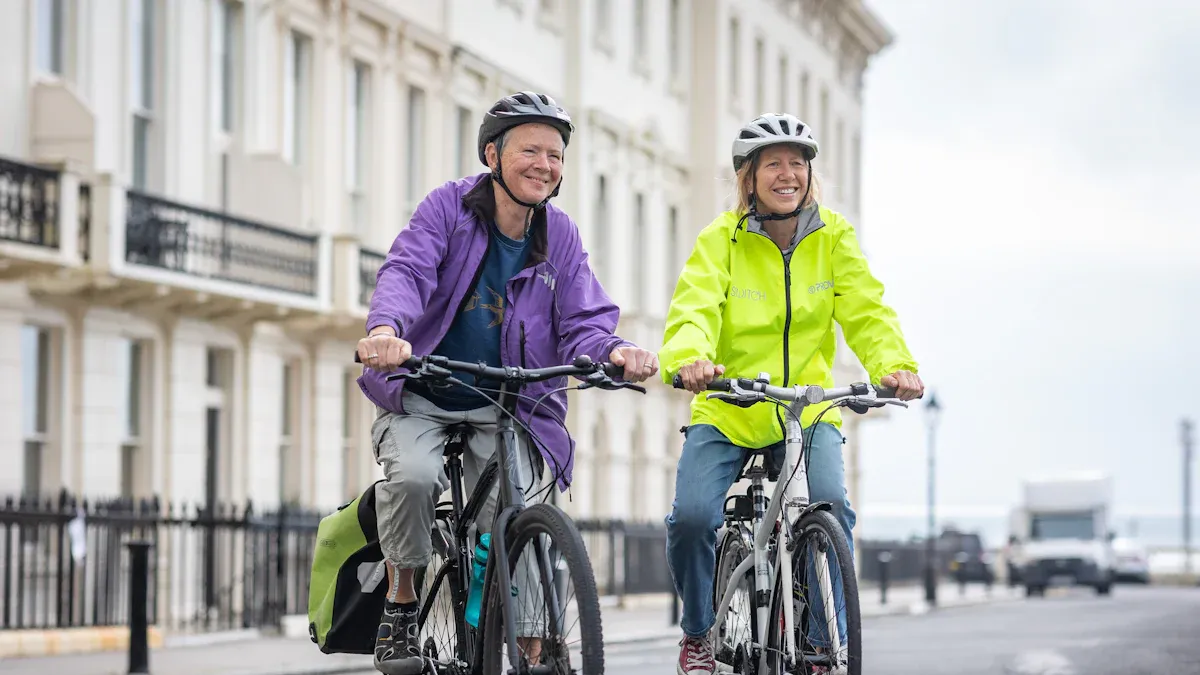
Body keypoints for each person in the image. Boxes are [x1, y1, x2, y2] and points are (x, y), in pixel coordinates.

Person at [356, 91, 658, 675]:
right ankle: (400, 600)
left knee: (519, 505)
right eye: (530, 150)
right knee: (416, 479)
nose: (544, 164)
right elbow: (408, 269)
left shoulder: (559, 235)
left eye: (555, 154)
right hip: (425, 390)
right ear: (493, 154)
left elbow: (583, 319)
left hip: (505, 402)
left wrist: (615, 350)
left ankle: (532, 644)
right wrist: (386, 330)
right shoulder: (448, 207)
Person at [658, 112, 923, 675]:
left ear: (809, 174)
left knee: (829, 504)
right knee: (692, 517)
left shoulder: (835, 238)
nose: (787, 174)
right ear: (748, 177)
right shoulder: (720, 240)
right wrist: (689, 360)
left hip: (805, 410)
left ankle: (823, 646)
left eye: (797, 164)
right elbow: (695, 306)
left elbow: (866, 308)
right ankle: (699, 632)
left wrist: (894, 365)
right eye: (773, 164)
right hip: (730, 406)